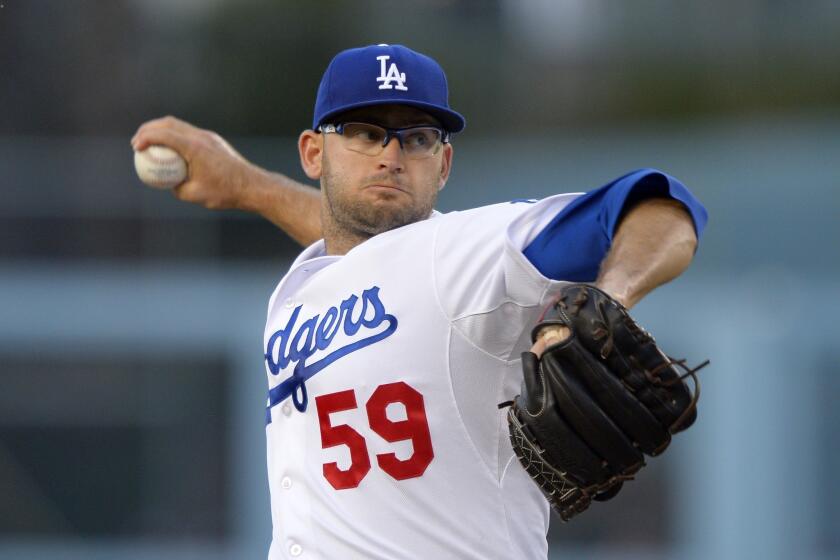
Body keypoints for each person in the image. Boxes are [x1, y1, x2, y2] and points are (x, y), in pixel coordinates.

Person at [132, 44, 707, 560]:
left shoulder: (466, 257)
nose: (391, 155)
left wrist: (610, 297)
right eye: (363, 131)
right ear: (313, 153)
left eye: (418, 137)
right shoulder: (321, 281)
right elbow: (364, 250)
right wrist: (246, 186)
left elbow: (662, 206)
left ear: (445, 164)